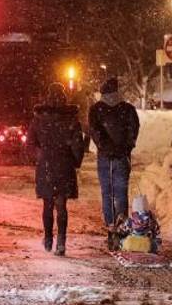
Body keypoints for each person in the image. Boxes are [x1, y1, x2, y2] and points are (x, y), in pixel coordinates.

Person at [29, 82, 86, 256]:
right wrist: (76, 162)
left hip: (46, 164)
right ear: (63, 98)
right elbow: (78, 145)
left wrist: (38, 157)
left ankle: (48, 239)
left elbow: (31, 143)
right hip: (64, 164)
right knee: (61, 205)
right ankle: (61, 241)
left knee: (47, 204)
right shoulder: (71, 119)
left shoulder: (39, 119)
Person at [89, 77, 139, 234]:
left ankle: (110, 222)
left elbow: (94, 131)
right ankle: (122, 221)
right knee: (121, 190)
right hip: (122, 156)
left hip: (104, 156)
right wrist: (126, 147)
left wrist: (104, 146)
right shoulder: (128, 109)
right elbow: (133, 129)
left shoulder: (96, 109)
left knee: (107, 190)